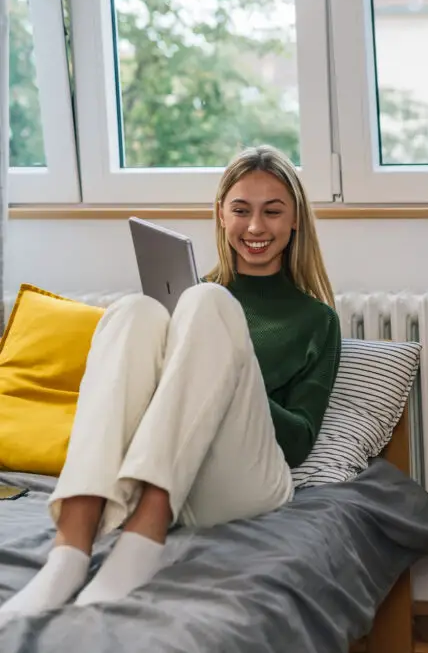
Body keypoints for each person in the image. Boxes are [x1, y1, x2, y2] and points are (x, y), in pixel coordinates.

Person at [0, 145, 340, 618]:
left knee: (208, 303)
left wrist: (231, 368)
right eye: (241, 210)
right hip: (178, 468)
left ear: (295, 219)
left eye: (273, 212)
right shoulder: (195, 290)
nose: (256, 227)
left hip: (248, 478)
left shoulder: (315, 319)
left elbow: (301, 440)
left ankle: (143, 538)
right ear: (221, 215)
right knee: (134, 310)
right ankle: (70, 550)